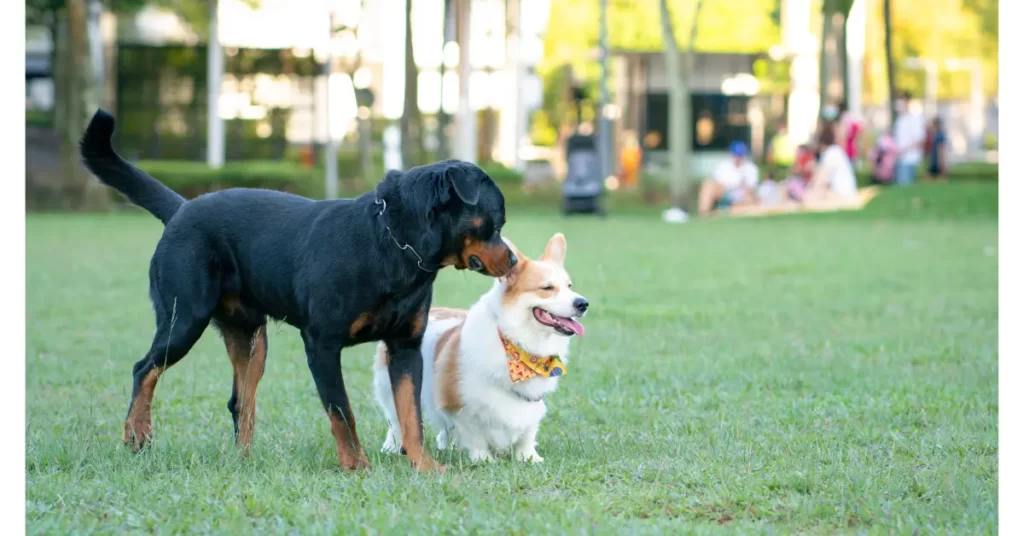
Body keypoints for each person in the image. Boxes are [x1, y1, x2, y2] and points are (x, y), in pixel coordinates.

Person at [697, 141, 759, 216]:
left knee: (748, 199)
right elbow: (718, 184)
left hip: (740, 196)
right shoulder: (724, 166)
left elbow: (750, 189)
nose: (738, 158)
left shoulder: (751, 168)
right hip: (725, 194)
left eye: (740, 155)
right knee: (707, 185)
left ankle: (729, 210)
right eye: (736, 155)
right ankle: (704, 214)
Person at [804, 120, 858, 203]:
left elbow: (822, 179)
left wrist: (811, 192)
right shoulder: (835, 152)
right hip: (845, 194)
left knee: (809, 197)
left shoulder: (832, 152)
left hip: (841, 195)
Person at [892, 91, 926, 186]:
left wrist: (903, 150)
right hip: (899, 159)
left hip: (910, 159)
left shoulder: (914, 118)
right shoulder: (899, 120)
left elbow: (919, 139)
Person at [925, 116, 948, 181]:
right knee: (931, 171)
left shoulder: (941, 134)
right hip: (932, 155)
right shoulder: (932, 133)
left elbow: (942, 146)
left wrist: (942, 159)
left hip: (938, 154)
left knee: (940, 170)